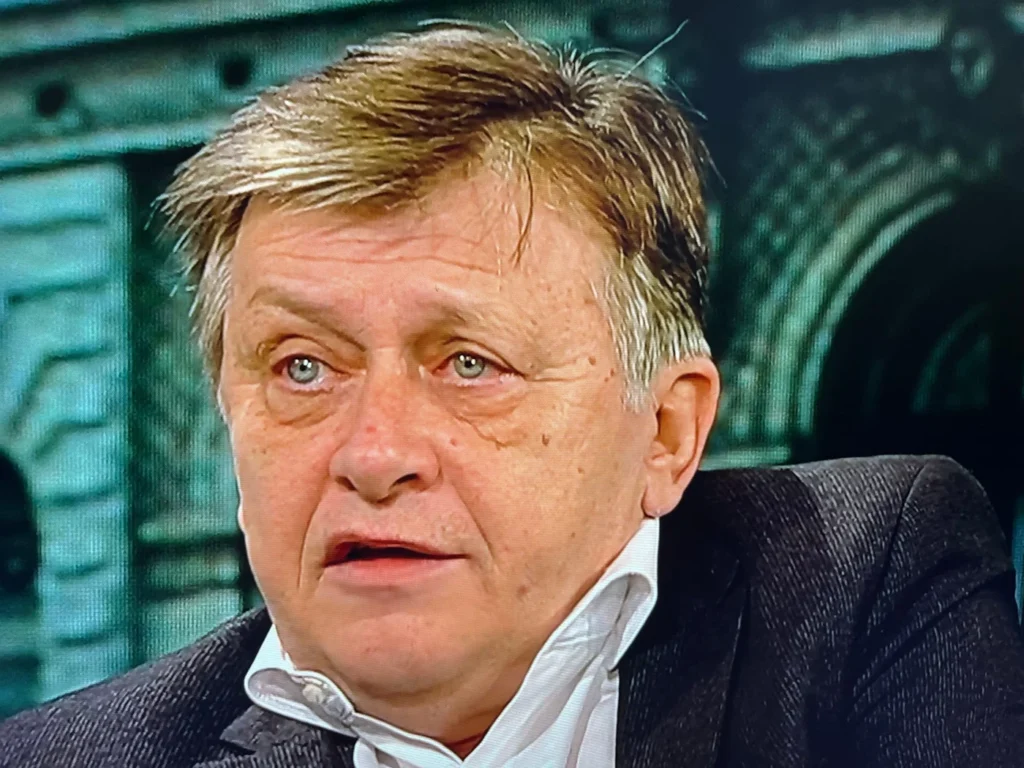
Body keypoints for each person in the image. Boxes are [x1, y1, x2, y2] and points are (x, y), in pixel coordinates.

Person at [2, 22, 1022, 768]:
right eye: (302, 367)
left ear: (666, 433)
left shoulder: (859, 583)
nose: (374, 456)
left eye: (468, 364)